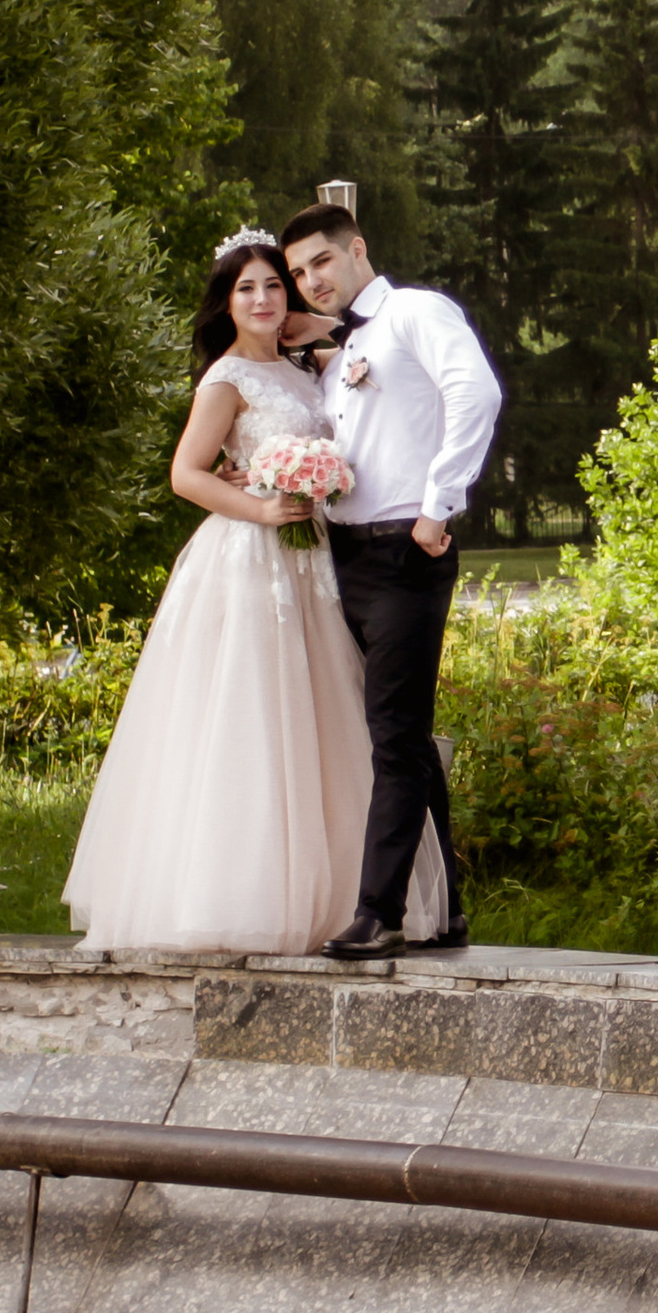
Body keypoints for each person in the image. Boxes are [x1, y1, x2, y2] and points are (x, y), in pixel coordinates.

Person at [61, 231, 442, 954]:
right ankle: (239, 895)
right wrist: (264, 505)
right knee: (254, 716)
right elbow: (187, 474)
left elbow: (377, 366)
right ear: (226, 303)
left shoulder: (311, 368)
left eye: (276, 286)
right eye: (248, 289)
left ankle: (336, 895)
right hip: (250, 559)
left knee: (323, 721)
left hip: (315, 562)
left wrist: (324, 326)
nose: (265, 299)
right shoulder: (226, 379)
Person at [279, 201, 501, 959]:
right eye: (299, 272)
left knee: (393, 733)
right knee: (396, 731)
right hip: (342, 556)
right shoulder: (335, 350)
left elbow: (477, 394)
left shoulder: (413, 312)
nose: (311, 281)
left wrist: (439, 507)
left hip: (409, 552)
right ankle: (447, 911)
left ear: (358, 248)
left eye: (322, 262)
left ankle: (381, 910)